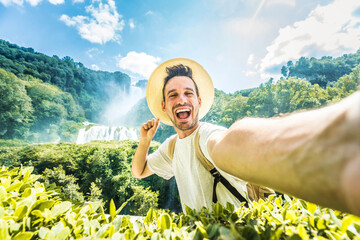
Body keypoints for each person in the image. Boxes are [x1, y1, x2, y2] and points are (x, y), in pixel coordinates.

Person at [132, 58, 360, 216]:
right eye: (173, 95)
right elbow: (139, 171)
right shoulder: (171, 147)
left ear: (198, 102)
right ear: (164, 106)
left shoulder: (207, 135)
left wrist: (338, 138)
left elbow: (229, 143)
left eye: (188, 93)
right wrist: (145, 141)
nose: (181, 99)